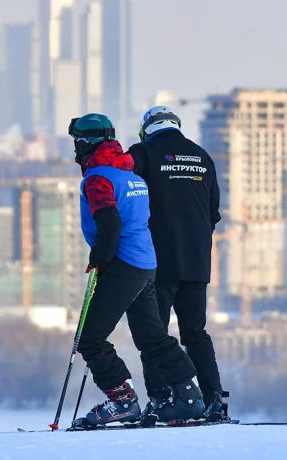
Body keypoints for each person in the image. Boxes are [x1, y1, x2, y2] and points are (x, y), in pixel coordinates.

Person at [69, 113, 205, 428]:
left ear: (86, 144)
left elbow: (109, 221)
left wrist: (100, 258)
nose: (74, 149)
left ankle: (122, 402)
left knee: (90, 338)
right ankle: (190, 396)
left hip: (123, 265)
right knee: (153, 336)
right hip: (147, 264)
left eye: (77, 143)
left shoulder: (98, 179)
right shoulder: (131, 176)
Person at [127, 106, 226, 420]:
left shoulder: (143, 153)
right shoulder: (201, 156)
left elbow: (126, 199)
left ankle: (162, 399)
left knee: (153, 334)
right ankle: (213, 401)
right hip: (197, 263)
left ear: (147, 130)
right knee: (195, 333)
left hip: (157, 262)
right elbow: (213, 214)